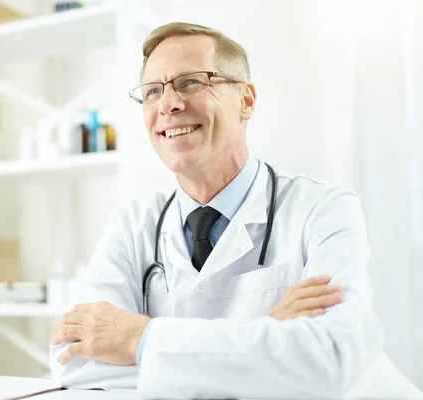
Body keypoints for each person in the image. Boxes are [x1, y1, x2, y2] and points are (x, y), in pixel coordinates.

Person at [49, 22, 422, 399]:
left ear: (246, 100)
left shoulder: (323, 209)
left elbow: (332, 360)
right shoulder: (130, 226)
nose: (168, 104)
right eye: (152, 91)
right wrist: (266, 331)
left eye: (190, 82)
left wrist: (140, 339)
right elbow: (74, 360)